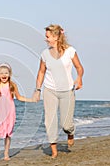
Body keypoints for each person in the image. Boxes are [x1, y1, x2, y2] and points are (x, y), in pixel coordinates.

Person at [33, 24, 84, 158]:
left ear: (56, 37)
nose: (46, 39)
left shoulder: (70, 51)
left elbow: (79, 68)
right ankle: (54, 150)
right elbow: (41, 72)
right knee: (50, 120)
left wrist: (79, 79)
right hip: (49, 91)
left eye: (48, 36)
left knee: (65, 124)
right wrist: (38, 90)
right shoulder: (44, 54)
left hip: (67, 91)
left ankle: (70, 132)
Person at [0, 63, 36, 161]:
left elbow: (19, 97)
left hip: (9, 112)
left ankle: (6, 153)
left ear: (9, 74)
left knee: (8, 133)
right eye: (2, 73)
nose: (4, 75)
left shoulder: (12, 85)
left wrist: (31, 100)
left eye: (6, 73)